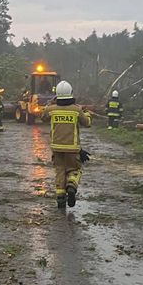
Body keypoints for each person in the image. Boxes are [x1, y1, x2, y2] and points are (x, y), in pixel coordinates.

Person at [43, 80, 91, 208]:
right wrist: (86, 113)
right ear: (71, 93)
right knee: (75, 169)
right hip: (73, 148)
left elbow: (43, 117)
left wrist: (50, 104)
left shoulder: (51, 110)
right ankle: (71, 185)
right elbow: (87, 123)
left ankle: (60, 196)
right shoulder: (76, 110)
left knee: (59, 170)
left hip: (56, 147)